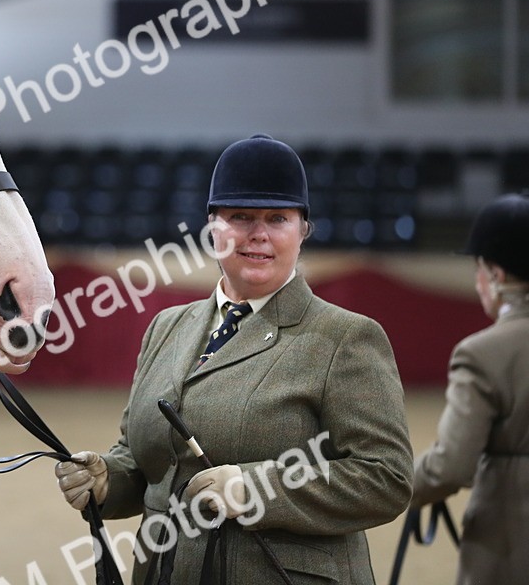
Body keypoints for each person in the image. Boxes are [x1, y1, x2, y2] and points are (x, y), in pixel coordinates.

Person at [55, 134, 413, 584]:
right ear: (212, 227)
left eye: (277, 218)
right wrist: (110, 479)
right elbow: (151, 460)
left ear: (303, 229)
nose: (257, 234)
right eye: (240, 216)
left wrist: (259, 490)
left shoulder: (347, 338)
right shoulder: (167, 327)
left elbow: (386, 477)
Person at [409, 191, 529, 585]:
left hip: (510, 546)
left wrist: (399, 486)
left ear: (495, 274)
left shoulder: (482, 354)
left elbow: (451, 466)